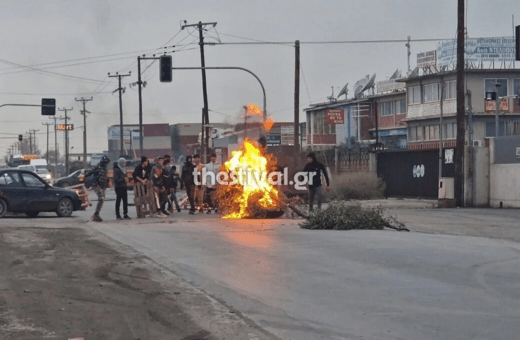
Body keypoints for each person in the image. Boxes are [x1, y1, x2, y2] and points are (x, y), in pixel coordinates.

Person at [84, 155, 110, 222]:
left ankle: (96, 214)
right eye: (105, 163)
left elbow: (105, 178)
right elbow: (91, 172)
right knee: (101, 198)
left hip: (102, 186)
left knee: (102, 200)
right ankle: (96, 215)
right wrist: (85, 175)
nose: (106, 164)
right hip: (96, 185)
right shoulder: (98, 167)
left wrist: (107, 183)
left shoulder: (105, 169)